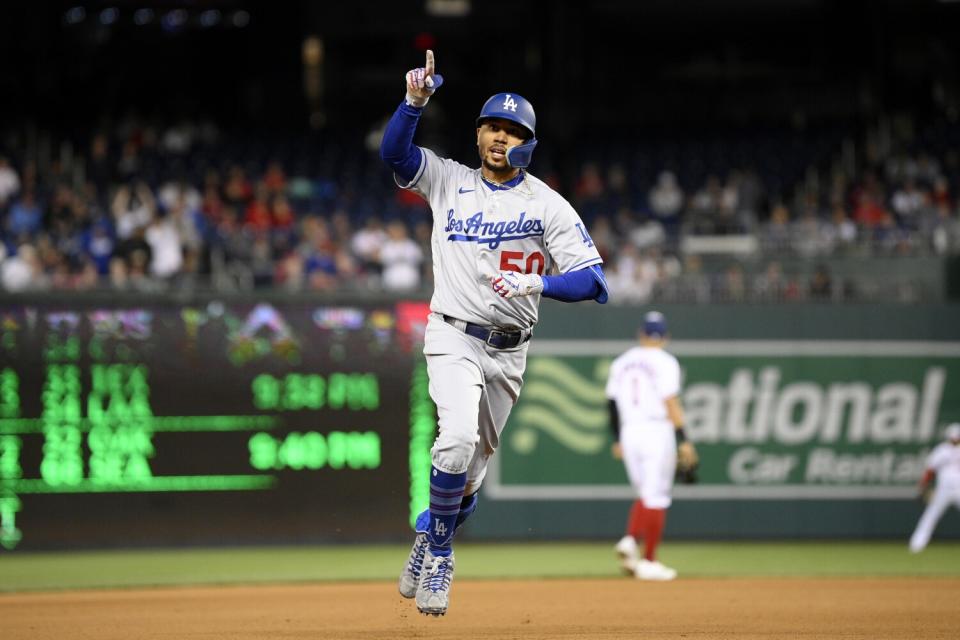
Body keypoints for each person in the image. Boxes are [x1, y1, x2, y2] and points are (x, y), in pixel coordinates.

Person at [380, 50, 609, 616]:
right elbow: (395, 155)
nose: (499, 137)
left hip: (509, 351)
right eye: (492, 127)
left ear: (527, 142)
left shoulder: (546, 204)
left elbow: (594, 282)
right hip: (452, 334)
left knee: (468, 486)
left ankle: (428, 535)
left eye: (512, 130)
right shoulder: (449, 181)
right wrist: (413, 105)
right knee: (454, 439)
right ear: (478, 134)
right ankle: (440, 555)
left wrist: (538, 287)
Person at [606, 311, 698, 581]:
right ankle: (647, 558)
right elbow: (670, 402)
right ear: (665, 336)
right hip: (657, 430)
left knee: (646, 494)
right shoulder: (666, 361)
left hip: (630, 432)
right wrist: (685, 438)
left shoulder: (622, 362)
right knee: (657, 497)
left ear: (641, 334)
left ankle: (631, 542)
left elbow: (611, 404)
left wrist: (617, 438)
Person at [909, 423, 960, 553]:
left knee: (930, 515)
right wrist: (923, 485)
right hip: (943, 489)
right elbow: (930, 470)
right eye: (954, 436)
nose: (955, 439)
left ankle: (917, 544)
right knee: (931, 515)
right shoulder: (941, 450)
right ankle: (917, 544)